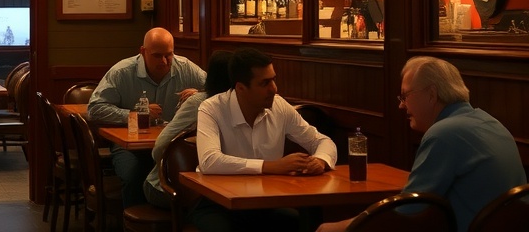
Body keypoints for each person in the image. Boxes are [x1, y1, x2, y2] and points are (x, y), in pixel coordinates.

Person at [317, 56, 526, 232]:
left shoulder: (445, 134)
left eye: (405, 95)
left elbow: (405, 212)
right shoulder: (492, 123)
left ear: (432, 94)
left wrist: (338, 227)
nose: (401, 105)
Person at [193, 48, 337, 232]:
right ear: (241, 88)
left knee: (305, 222)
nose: (274, 89)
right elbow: (209, 161)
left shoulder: (279, 106)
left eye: (273, 79)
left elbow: (322, 141)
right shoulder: (211, 109)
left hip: (265, 203)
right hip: (218, 205)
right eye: (264, 83)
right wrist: (271, 166)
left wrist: (321, 160)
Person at [88, 27, 207, 207]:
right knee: (133, 176)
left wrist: (200, 94)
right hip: (130, 146)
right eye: (157, 56)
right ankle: (135, 222)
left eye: (169, 55)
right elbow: (95, 109)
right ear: (143, 52)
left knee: (189, 179)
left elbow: (219, 92)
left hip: (172, 144)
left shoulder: (186, 68)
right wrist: (135, 115)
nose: (165, 61)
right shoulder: (122, 72)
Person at [143, 49, 234, 209]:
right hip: (167, 187)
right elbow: (160, 147)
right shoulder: (201, 103)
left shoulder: (244, 106)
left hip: (220, 186)